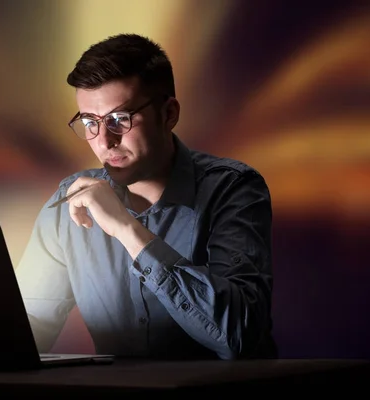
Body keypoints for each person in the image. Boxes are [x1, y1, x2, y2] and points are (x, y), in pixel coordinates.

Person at [15, 33, 277, 360]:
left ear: (168, 114)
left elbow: (238, 335)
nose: (104, 142)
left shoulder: (233, 189)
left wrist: (126, 229)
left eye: (119, 120)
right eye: (89, 122)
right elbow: (30, 325)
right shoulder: (69, 202)